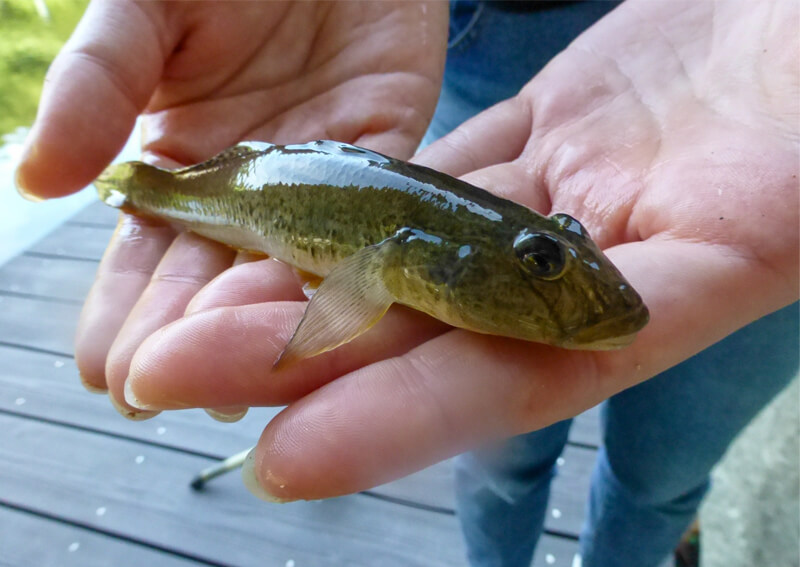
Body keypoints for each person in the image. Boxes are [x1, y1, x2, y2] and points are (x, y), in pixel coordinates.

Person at [15, 1, 798, 566]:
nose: (557, 273)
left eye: (551, 256)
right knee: (501, 460)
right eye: (542, 260)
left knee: (663, 470)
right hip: (475, 31)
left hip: (717, 78)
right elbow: (370, 278)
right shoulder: (405, 254)